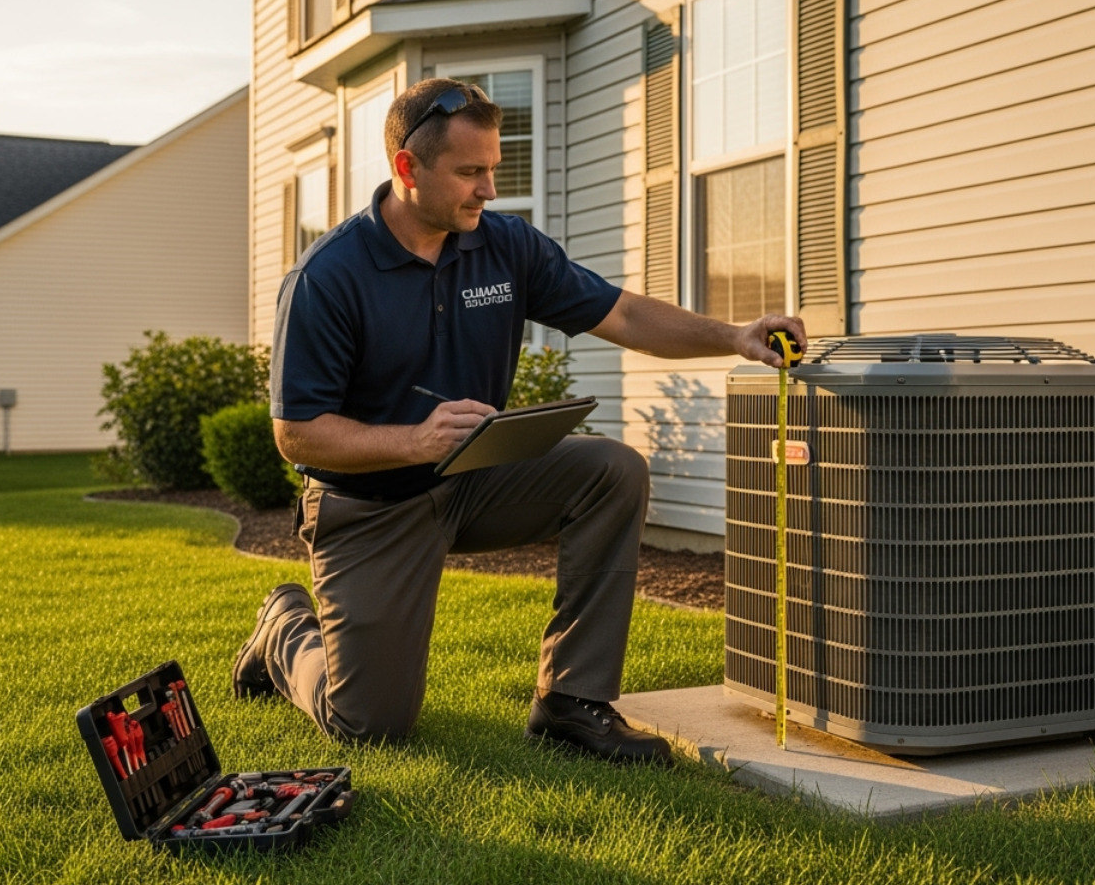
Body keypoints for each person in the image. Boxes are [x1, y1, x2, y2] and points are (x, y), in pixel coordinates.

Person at [232, 77, 806, 764]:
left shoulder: (505, 247)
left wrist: (732, 335)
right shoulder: (329, 277)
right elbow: (296, 431)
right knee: (370, 724)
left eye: (493, 169)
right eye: (470, 172)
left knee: (609, 470)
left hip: (474, 480)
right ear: (406, 169)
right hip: (370, 506)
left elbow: (621, 314)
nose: (489, 190)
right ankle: (285, 629)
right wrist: (413, 439)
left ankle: (571, 701)